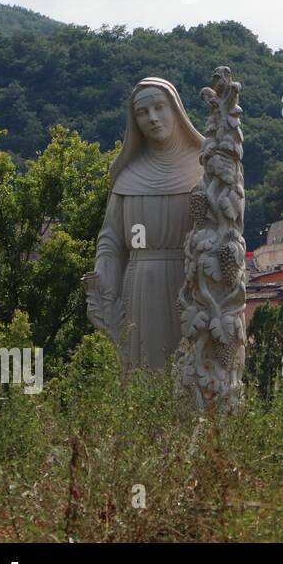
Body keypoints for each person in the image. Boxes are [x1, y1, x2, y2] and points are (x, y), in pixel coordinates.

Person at [88, 77, 204, 371]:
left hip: (189, 284)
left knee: (193, 371)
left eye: (159, 107)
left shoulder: (206, 167)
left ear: (175, 110)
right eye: (142, 112)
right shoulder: (129, 174)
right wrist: (103, 275)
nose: (152, 118)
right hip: (139, 286)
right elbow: (111, 237)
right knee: (142, 373)